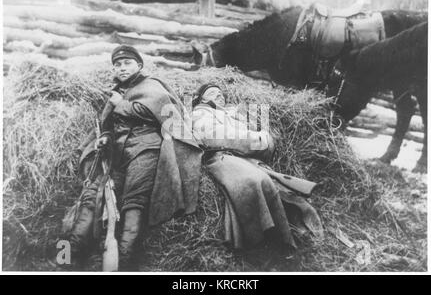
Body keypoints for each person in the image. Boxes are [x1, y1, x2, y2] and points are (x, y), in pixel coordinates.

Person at [66, 45, 203, 271]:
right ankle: (68, 257)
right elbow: (109, 125)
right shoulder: (117, 91)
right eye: (117, 65)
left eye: (127, 63)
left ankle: (125, 264)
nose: (121, 68)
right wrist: (106, 137)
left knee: (133, 203)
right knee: (93, 197)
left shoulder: (152, 86)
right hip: (117, 155)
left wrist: (120, 104)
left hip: (145, 150)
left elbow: (161, 112)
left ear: (139, 65)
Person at [192, 83, 323, 250]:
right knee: (255, 181)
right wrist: (260, 140)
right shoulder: (200, 113)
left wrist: (258, 139)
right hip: (222, 158)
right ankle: (261, 242)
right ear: (202, 99)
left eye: (221, 93)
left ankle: (296, 233)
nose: (219, 95)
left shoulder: (231, 115)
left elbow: (252, 136)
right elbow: (216, 137)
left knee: (282, 188)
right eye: (212, 92)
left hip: (244, 158)